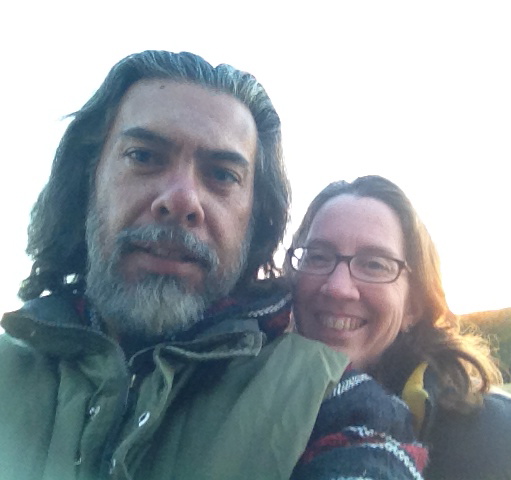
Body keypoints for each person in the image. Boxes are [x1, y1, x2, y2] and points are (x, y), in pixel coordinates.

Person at [0, 52, 427, 480]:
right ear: (87, 178)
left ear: (256, 217)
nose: (181, 199)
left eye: (222, 175)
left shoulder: (331, 403)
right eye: (144, 156)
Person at [286, 175, 511, 480]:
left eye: (374, 264)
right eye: (318, 257)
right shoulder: (260, 411)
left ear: (414, 305)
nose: (338, 288)